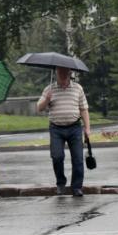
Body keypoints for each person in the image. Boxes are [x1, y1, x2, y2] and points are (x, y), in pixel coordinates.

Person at [37, 67, 91, 196]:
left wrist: (87, 128)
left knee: (78, 159)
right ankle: (61, 183)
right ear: (56, 73)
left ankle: (77, 187)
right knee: (57, 157)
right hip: (56, 128)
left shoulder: (78, 88)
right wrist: (46, 100)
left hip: (75, 127)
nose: (62, 74)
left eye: (64, 72)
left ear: (69, 73)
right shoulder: (49, 89)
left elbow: (84, 109)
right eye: (59, 72)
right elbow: (39, 108)